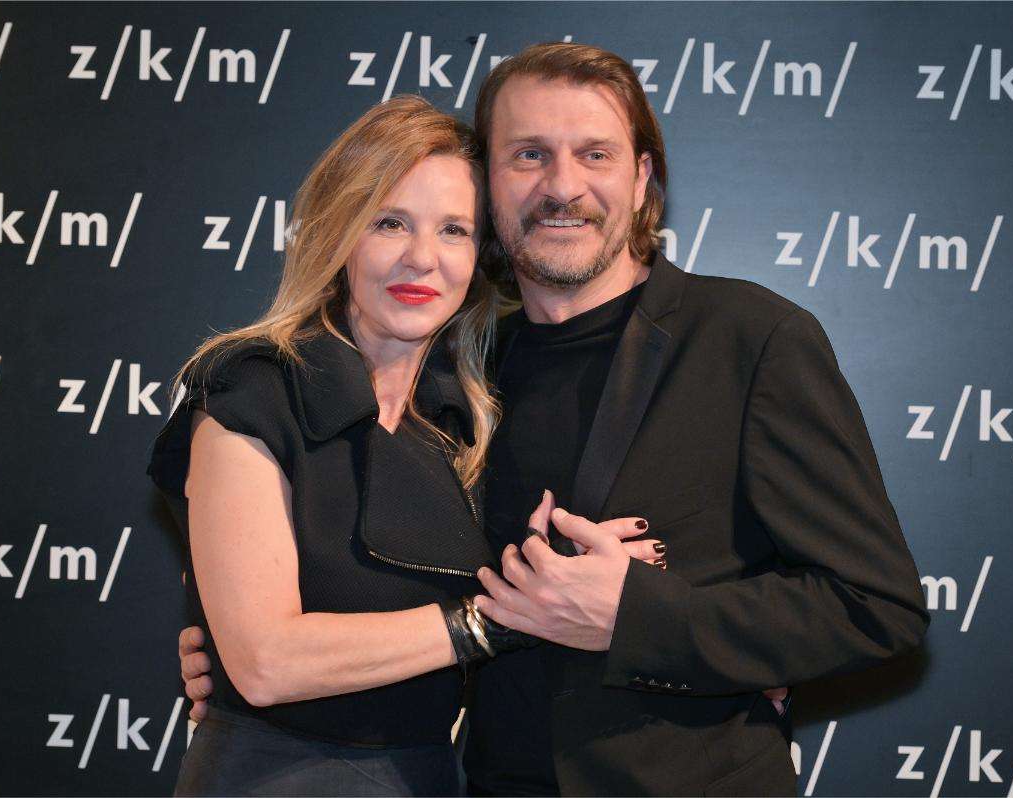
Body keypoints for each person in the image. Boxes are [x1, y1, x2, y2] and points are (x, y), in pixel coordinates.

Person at [180, 42, 929, 796]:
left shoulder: (750, 339)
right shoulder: (461, 377)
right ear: (489, 184)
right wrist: (242, 655)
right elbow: (367, 570)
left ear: (641, 178)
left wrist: (641, 618)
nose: (563, 186)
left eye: (595, 154)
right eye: (529, 155)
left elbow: (874, 607)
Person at [148, 95, 665, 797]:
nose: (422, 258)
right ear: (340, 233)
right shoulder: (256, 389)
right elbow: (267, 663)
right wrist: (500, 620)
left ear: (479, 256)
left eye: (454, 230)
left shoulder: (470, 423)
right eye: (389, 222)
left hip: (427, 779)